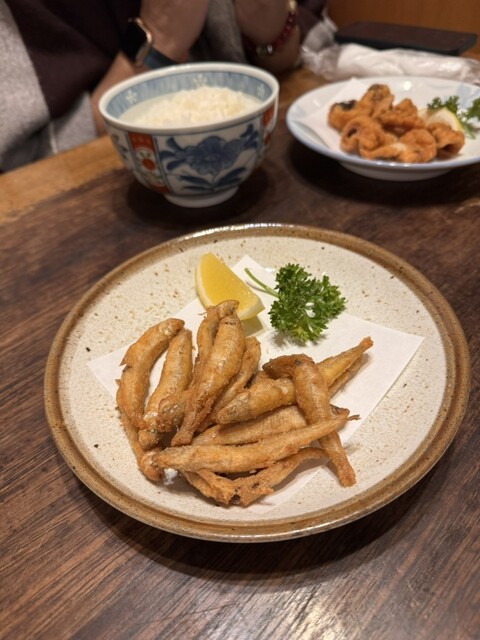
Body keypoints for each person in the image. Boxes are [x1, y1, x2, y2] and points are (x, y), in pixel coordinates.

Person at [1, 0, 327, 172]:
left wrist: (271, 30)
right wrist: (158, 39)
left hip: (276, 165)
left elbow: (319, 56)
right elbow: (24, 171)